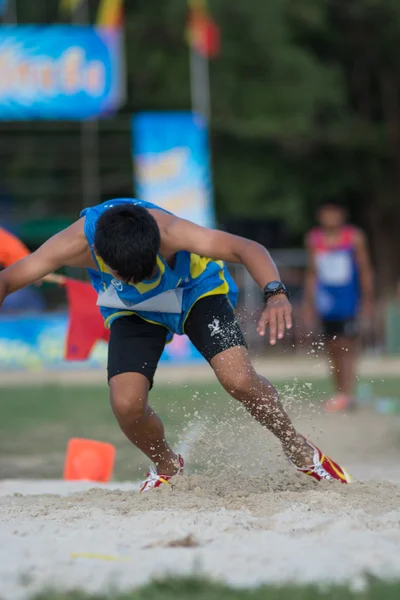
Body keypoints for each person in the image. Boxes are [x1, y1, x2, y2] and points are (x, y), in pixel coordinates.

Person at [0, 198, 352, 489]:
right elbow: (8, 280)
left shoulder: (171, 231)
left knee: (240, 380)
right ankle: (167, 465)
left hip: (194, 293)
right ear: (100, 256)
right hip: (132, 310)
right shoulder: (72, 245)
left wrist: (275, 294)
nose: (143, 279)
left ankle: (299, 448)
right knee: (126, 405)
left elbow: (247, 247)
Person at [303, 202, 374, 412]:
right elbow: (312, 273)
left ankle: (348, 393)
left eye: (334, 214)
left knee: (347, 345)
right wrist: (308, 303)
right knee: (332, 346)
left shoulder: (354, 237)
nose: (330, 218)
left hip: (348, 299)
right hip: (326, 300)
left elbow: (364, 269)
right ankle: (338, 392)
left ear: (342, 215)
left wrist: (367, 299)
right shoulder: (314, 239)